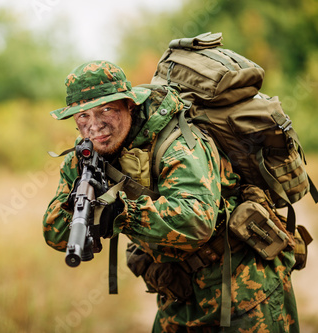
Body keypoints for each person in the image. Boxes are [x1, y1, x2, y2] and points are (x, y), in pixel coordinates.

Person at [42, 60, 300, 332]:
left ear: (129, 104)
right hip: (177, 293)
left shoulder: (176, 143)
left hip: (244, 286)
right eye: (83, 116)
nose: (95, 126)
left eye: (107, 110)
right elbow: (54, 232)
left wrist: (121, 214)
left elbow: (196, 220)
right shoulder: (84, 158)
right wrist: (84, 210)